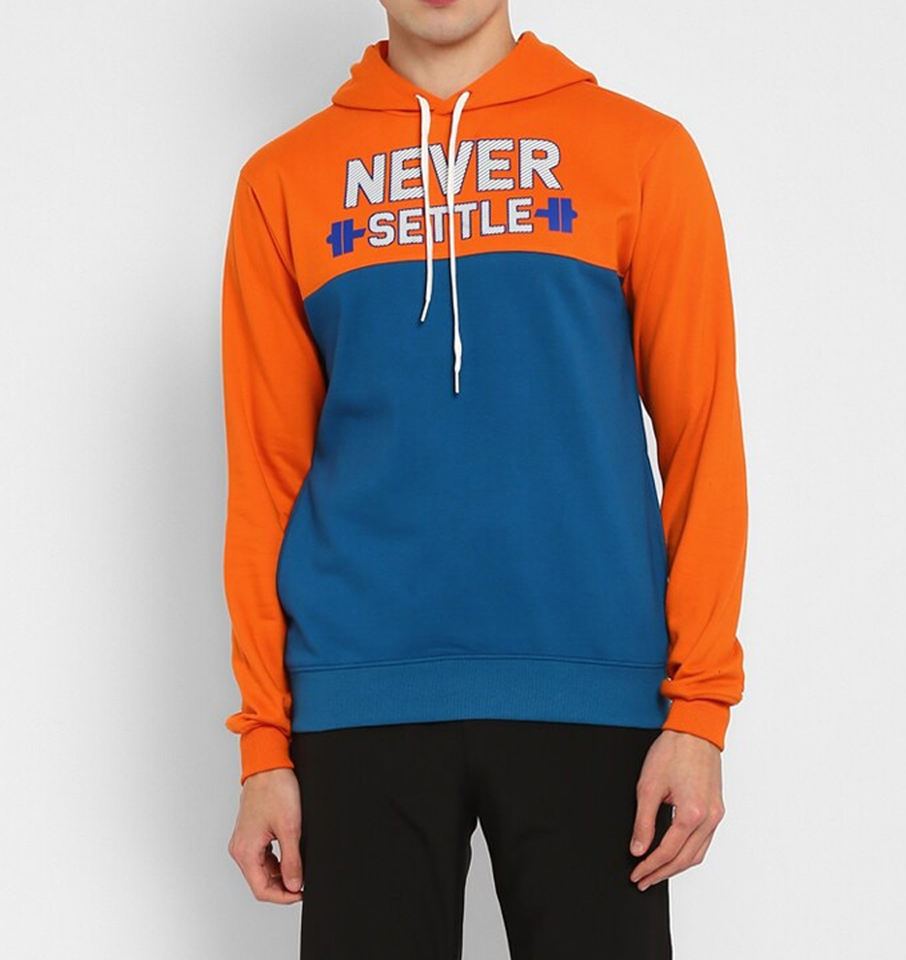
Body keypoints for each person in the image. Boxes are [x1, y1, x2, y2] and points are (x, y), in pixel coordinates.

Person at [221, 0, 748, 956]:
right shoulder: (284, 181)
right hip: (359, 695)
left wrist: (700, 709)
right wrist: (264, 741)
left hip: (593, 689)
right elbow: (266, 477)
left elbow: (703, 441)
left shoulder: (641, 152)